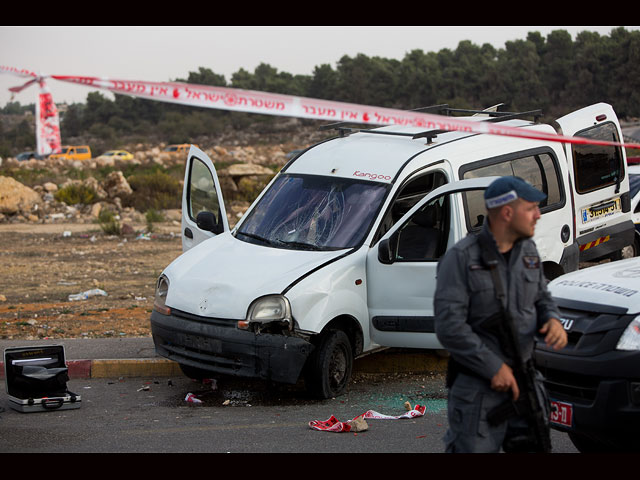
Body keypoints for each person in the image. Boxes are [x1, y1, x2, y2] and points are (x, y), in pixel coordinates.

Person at [433, 176, 568, 453]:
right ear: (507, 213)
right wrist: (493, 366)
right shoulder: (460, 259)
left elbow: (541, 296)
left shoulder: (528, 251)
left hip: (525, 381)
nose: (538, 215)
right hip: (478, 390)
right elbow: (449, 326)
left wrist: (552, 318)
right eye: (531, 208)